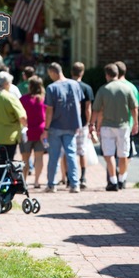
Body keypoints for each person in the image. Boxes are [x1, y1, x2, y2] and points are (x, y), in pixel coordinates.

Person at [90, 63, 139, 191]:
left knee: (109, 154)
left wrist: (93, 125)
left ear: (107, 75)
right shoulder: (127, 89)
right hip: (123, 126)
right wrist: (136, 123)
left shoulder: (103, 89)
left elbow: (96, 110)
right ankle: (122, 179)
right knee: (123, 154)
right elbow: (134, 108)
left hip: (107, 126)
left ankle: (113, 181)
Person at [43, 62, 84, 193]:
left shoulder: (51, 88)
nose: (50, 77)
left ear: (54, 72)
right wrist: (78, 123)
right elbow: (79, 105)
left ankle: (51, 184)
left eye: (50, 74)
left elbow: (49, 110)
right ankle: (74, 184)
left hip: (55, 125)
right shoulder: (75, 84)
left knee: (53, 156)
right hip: (71, 125)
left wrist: (46, 128)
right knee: (71, 155)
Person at [71, 62, 94, 189]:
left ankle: (68, 177)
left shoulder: (67, 86)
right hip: (82, 123)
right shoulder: (87, 88)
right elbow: (88, 108)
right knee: (82, 151)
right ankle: (83, 177)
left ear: (71, 72)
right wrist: (89, 123)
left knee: (68, 152)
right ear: (83, 72)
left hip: (68, 123)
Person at [20, 75, 46, 188]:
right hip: (41, 131)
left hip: (27, 131)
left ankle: (24, 181)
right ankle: (36, 181)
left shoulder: (23, 99)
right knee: (39, 156)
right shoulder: (44, 99)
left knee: (25, 158)